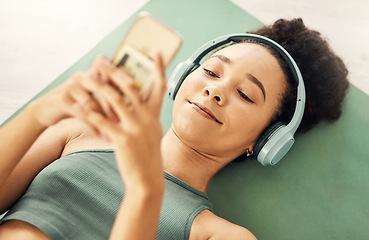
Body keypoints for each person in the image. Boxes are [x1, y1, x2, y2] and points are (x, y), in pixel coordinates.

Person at [0, 18, 349, 239]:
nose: (215, 90)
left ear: (266, 141)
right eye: (212, 71)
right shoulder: (77, 133)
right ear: (183, 75)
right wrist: (39, 113)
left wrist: (146, 190)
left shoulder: (221, 236)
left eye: (245, 94)